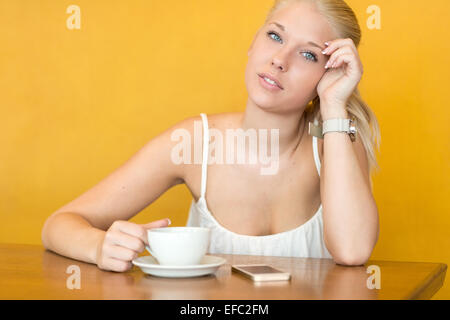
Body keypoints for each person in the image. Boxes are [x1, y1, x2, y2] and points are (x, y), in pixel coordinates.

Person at [42, 0, 381, 272]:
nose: (279, 60)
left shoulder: (336, 143)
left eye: (309, 55)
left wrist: (334, 105)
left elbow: (352, 251)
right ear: (252, 43)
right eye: (275, 36)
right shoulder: (195, 143)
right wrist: (101, 247)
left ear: (330, 73)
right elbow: (59, 225)